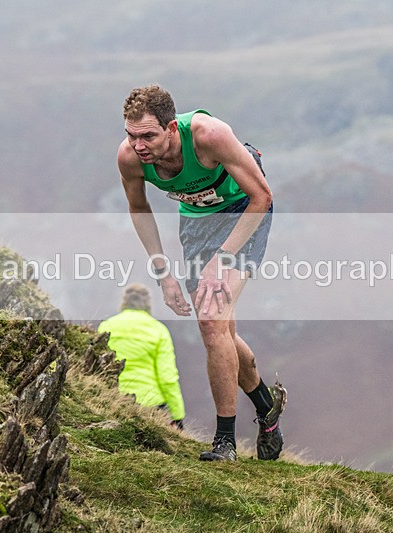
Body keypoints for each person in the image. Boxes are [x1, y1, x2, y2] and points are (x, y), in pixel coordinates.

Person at [116, 84, 287, 461]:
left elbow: (262, 196)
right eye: (131, 135)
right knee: (222, 331)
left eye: (148, 136)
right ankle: (266, 410)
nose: (138, 145)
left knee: (210, 321)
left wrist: (223, 258)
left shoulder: (209, 136)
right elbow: (139, 208)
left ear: (172, 129)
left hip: (243, 211)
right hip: (197, 222)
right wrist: (163, 272)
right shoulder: (129, 158)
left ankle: (224, 442)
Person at [98, 283, 185, 429]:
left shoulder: (107, 326)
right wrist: (177, 414)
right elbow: (167, 377)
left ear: (124, 301)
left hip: (114, 398)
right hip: (152, 404)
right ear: (148, 303)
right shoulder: (159, 330)